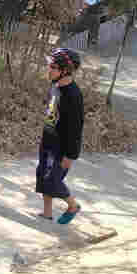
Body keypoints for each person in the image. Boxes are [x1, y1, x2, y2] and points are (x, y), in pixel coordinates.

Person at [36, 47, 85, 224]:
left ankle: (73, 205)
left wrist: (70, 156)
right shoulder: (55, 85)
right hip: (48, 140)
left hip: (61, 148)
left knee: (52, 179)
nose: (49, 70)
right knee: (42, 176)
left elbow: (76, 129)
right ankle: (47, 213)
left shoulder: (73, 95)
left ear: (65, 71)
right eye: (50, 66)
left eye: (53, 67)